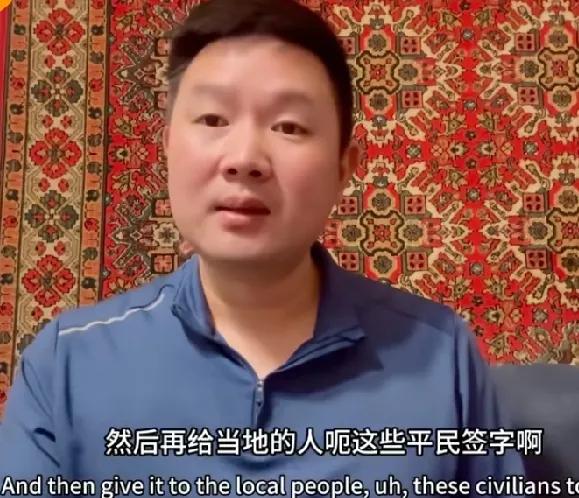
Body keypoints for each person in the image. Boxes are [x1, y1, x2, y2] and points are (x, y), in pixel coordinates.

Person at [0, 0, 526, 495]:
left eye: (288, 126)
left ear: (345, 167)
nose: (245, 158)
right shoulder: (67, 364)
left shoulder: (440, 356)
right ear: (167, 146)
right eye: (213, 120)